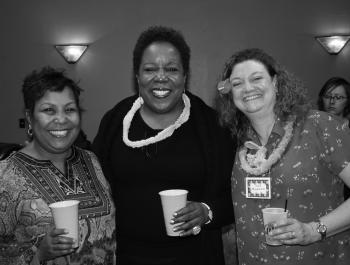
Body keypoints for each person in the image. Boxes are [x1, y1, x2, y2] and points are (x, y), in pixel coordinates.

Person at [92, 26, 236, 265]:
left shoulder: (214, 126)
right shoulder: (115, 121)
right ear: (137, 75)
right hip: (124, 256)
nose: (161, 77)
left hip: (193, 256)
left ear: (184, 75)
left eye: (171, 69)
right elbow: (94, 185)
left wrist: (207, 212)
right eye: (150, 69)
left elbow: (234, 196)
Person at [214, 48, 350, 264]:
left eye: (257, 78)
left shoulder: (318, 126)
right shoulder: (239, 143)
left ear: (275, 82)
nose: (247, 88)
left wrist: (313, 231)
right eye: (237, 83)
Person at [0, 66, 116, 264]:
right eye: (48, 110)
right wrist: (38, 254)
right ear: (29, 116)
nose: (61, 119)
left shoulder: (91, 160)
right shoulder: (6, 175)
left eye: (69, 109)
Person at [317, 77, 350, 200]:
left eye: (338, 97)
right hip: (321, 192)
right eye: (327, 96)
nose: (332, 101)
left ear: (347, 101)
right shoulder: (312, 126)